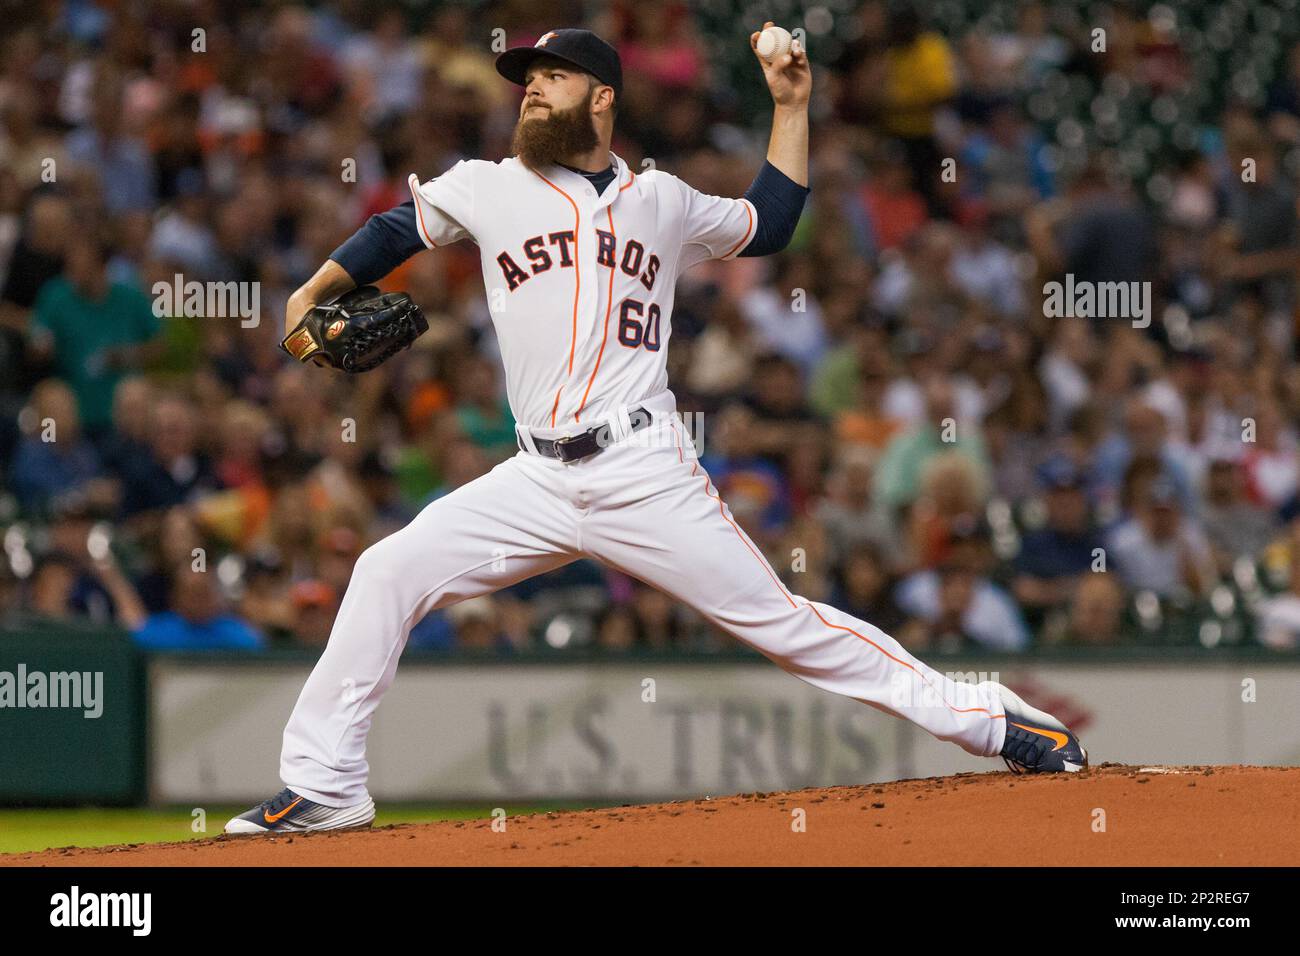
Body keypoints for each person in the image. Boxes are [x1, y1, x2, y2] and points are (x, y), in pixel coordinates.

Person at [226, 25, 1086, 836]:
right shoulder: (489, 185)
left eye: (550, 78)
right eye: (525, 81)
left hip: (644, 468)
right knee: (386, 570)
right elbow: (394, 230)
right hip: (534, 479)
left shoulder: (664, 201)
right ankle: (326, 786)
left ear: (601, 97)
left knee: (786, 627)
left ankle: (992, 721)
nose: (530, 92)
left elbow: (770, 222)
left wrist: (790, 107)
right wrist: (312, 292)